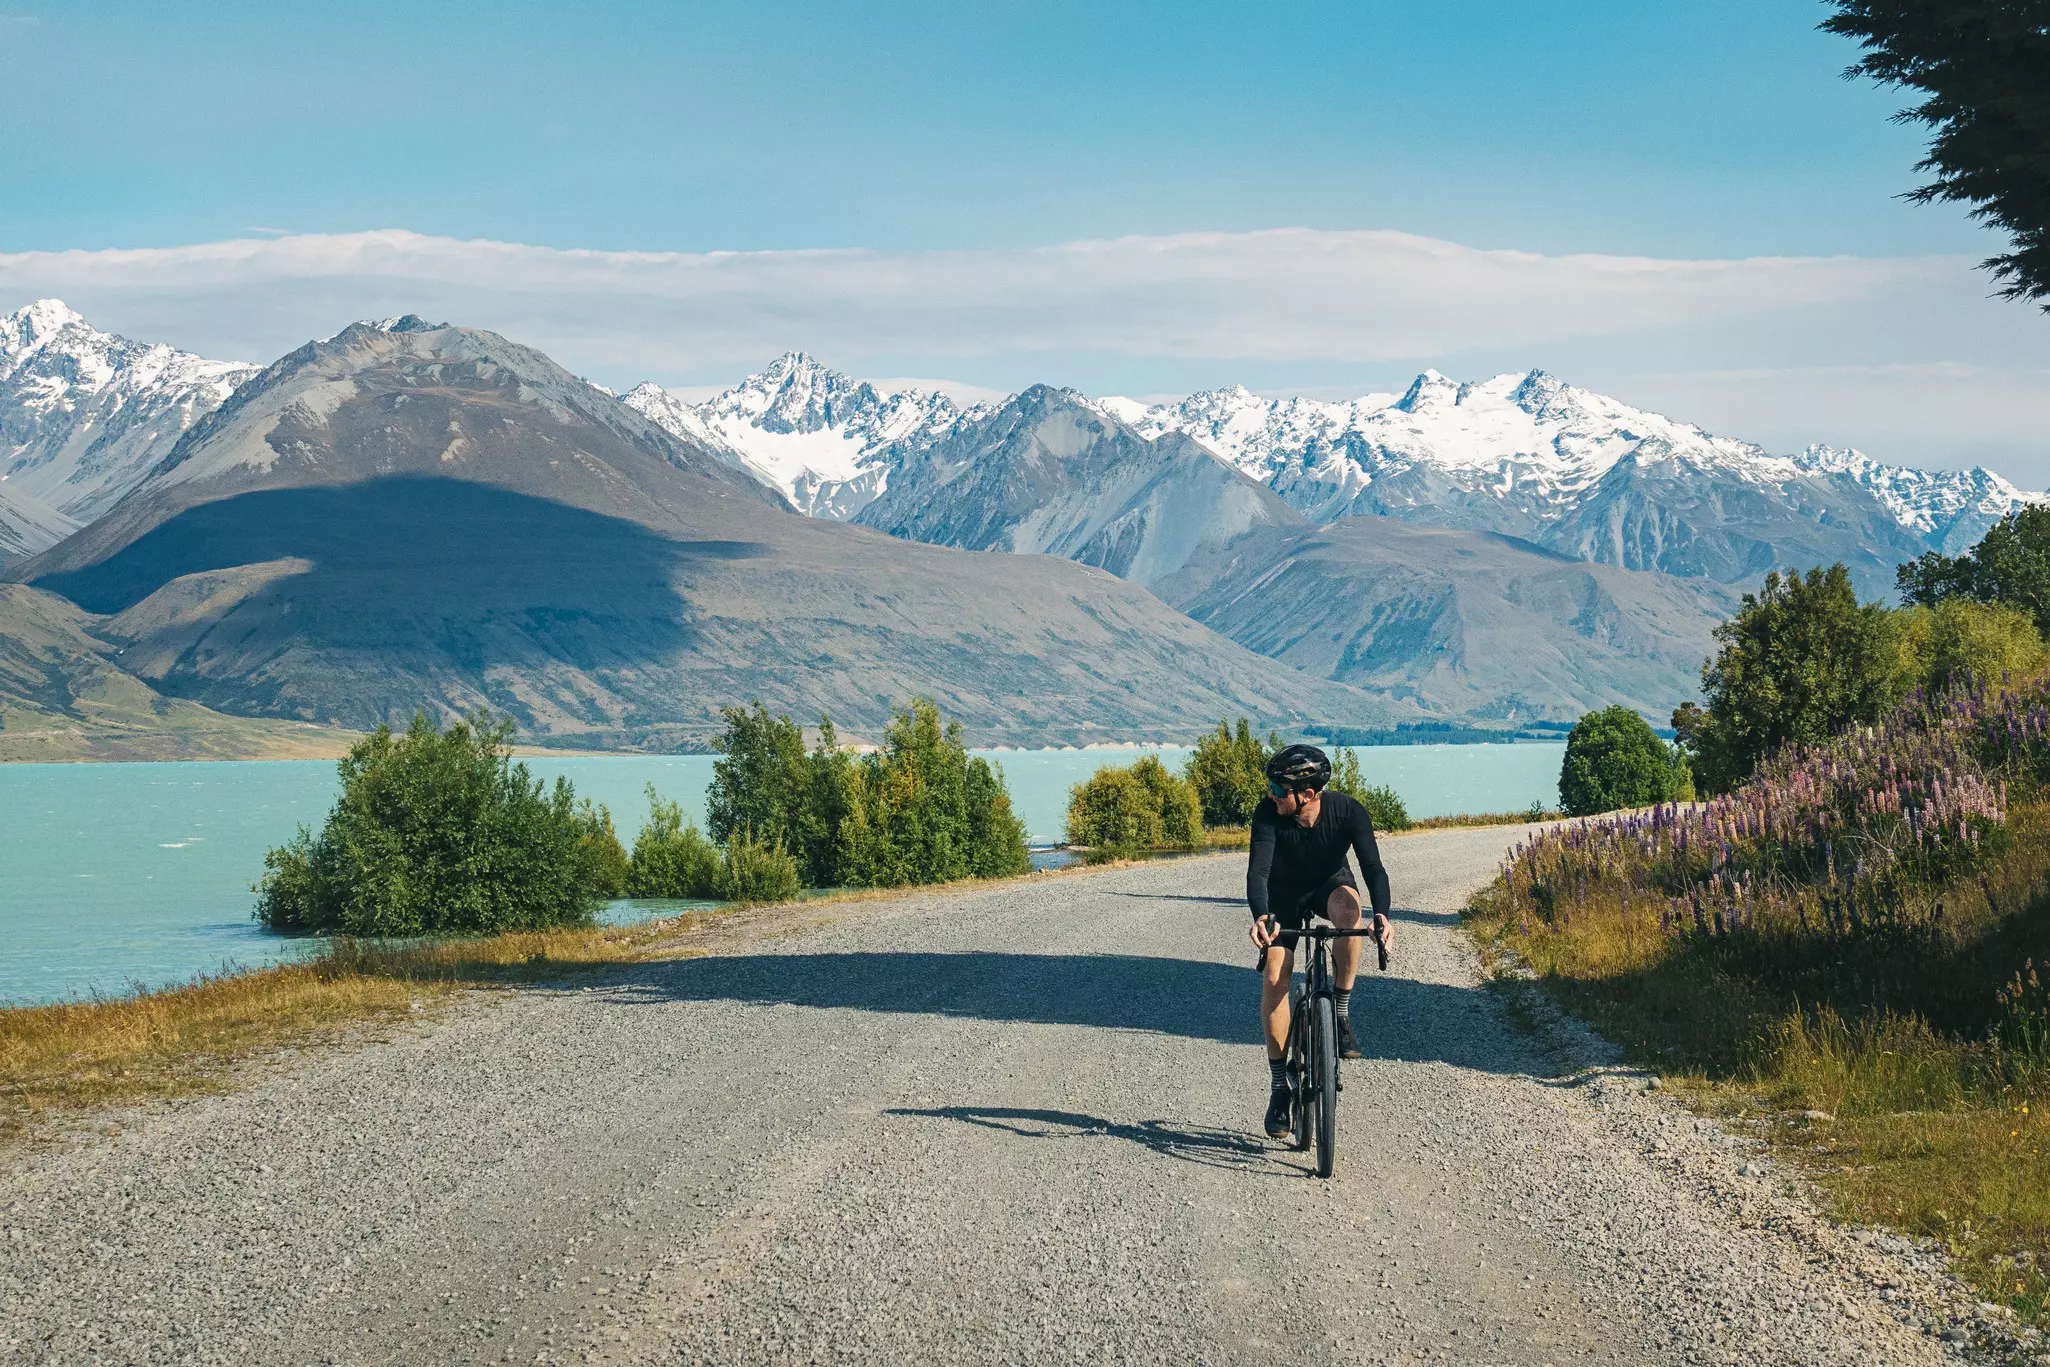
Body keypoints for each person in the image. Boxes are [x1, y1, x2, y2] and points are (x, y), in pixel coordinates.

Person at [1246, 743, 1393, 1140]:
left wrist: (1383, 916)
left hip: (1329, 885)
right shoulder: (1268, 814)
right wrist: (1261, 915)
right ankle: (1280, 1086)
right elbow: (1257, 873)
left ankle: (1340, 1011)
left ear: (1307, 794)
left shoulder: (1348, 811)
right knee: (1275, 973)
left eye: (1279, 790)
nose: (1271, 796)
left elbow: (1374, 869)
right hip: (1283, 894)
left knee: (1351, 915)